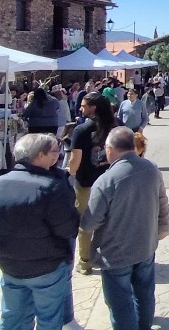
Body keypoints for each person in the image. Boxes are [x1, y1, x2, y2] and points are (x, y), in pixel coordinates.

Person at [0, 133, 79, 329]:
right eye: (54, 152)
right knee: (49, 321)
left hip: (11, 267)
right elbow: (68, 228)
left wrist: (2, 246)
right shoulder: (51, 187)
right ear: (40, 156)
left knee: (13, 320)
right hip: (49, 268)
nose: (58, 156)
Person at [82, 127, 169, 330]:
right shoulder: (151, 169)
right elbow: (162, 202)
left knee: (121, 304)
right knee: (145, 295)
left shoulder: (105, 181)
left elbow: (89, 223)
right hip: (147, 245)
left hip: (116, 253)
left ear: (109, 149)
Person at [67, 92, 116, 275]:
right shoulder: (117, 126)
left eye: (84, 105)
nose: (81, 108)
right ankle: (109, 256)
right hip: (112, 181)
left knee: (85, 223)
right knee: (110, 220)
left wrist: (69, 172)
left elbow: (75, 162)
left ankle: (85, 261)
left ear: (93, 108)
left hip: (87, 182)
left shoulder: (82, 130)